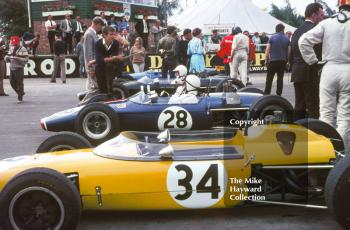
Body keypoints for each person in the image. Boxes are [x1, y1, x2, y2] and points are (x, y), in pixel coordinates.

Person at [299, 0, 350, 151]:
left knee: (326, 113)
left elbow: (303, 41)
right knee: (345, 115)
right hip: (348, 70)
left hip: (329, 69)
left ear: (339, 6)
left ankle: (325, 151)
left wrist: (314, 62)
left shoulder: (327, 22)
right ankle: (341, 152)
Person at [290, 3, 324, 121]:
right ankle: (314, 136)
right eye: (321, 15)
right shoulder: (315, 30)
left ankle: (295, 134)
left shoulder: (296, 31)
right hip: (310, 72)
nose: (322, 18)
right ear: (314, 15)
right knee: (314, 107)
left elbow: (291, 53)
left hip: (297, 72)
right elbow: (319, 52)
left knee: (299, 106)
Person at [95, 26, 124, 95]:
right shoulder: (98, 44)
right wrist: (115, 57)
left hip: (111, 69)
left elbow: (112, 59)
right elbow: (100, 61)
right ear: (104, 35)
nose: (113, 36)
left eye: (114, 34)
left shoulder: (116, 43)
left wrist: (112, 58)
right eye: (111, 34)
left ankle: (111, 92)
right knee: (102, 91)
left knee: (111, 66)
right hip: (100, 69)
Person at [263, 23, 290, 96]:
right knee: (280, 78)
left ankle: (266, 93)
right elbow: (289, 51)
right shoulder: (287, 38)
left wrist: (266, 60)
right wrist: (288, 61)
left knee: (269, 78)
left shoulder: (272, 38)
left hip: (273, 61)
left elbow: (267, 50)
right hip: (282, 61)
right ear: (283, 30)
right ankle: (279, 94)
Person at [4, 36, 28, 103]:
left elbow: (26, 59)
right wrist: (6, 58)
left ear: (18, 42)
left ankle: (20, 98)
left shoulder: (23, 49)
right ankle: (21, 92)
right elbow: (8, 60)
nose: (14, 45)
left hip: (19, 68)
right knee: (12, 82)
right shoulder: (11, 48)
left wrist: (17, 58)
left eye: (15, 43)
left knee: (19, 83)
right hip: (12, 68)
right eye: (13, 43)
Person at [83, 17, 105, 92]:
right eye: (101, 26)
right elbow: (88, 53)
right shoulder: (89, 34)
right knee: (93, 87)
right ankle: (89, 102)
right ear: (98, 24)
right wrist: (91, 68)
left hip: (94, 64)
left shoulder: (92, 33)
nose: (101, 29)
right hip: (92, 65)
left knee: (92, 84)